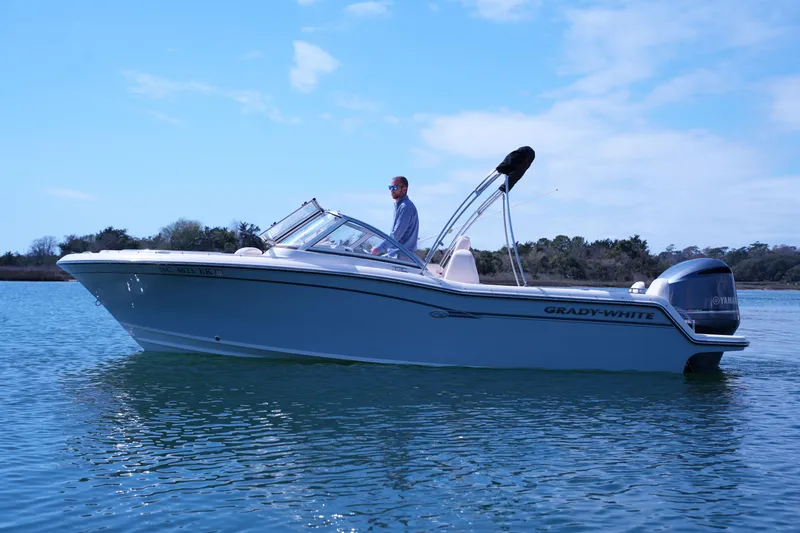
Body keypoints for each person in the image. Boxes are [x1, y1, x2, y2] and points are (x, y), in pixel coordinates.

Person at [371, 176, 419, 259]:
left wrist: (378, 249)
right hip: (398, 255)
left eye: (395, 187)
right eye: (391, 187)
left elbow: (397, 234)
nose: (392, 190)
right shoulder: (401, 206)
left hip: (401, 257)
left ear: (404, 189)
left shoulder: (405, 207)